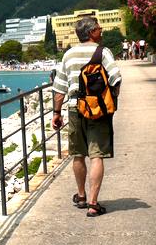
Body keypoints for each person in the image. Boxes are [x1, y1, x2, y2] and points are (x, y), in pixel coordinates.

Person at [51, 16, 121, 217]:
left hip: (74, 108)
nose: (102, 31)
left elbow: (59, 88)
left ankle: (81, 196)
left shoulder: (69, 55)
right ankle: (93, 203)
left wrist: (56, 113)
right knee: (97, 155)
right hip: (98, 110)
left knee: (78, 154)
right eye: (99, 28)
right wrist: (110, 101)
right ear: (91, 32)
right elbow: (116, 79)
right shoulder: (103, 52)